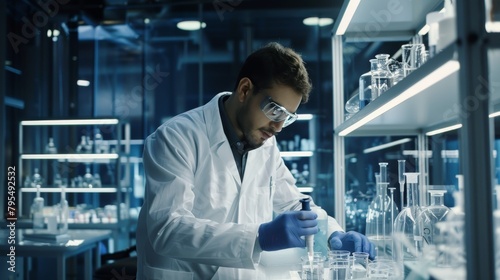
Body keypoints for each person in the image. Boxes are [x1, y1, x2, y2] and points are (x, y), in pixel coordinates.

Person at [136, 42, 375, 279]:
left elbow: (293, 204)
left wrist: (333, 234)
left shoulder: (265, 143)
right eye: (275, 110)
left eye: (288, 117)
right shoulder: (175, 137)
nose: (279, 126)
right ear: (244, 90)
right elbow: (167, 229)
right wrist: (260, 237)